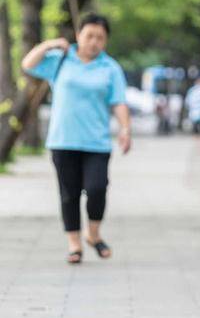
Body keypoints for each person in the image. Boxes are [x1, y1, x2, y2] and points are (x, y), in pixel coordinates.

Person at [22, 13, 130, 264]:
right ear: (78, 35)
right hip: (63, 140)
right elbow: (28, 64)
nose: (94, 42)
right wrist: (49, 44)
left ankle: (93, 234)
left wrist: (125, 130)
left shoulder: (110, 68)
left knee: (97, 188)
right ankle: (74, 244)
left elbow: (119, 102)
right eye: (89, 35)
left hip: (96, 142)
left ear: (106, 41)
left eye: (100, 38)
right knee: (68, 194)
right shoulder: (60, 60)